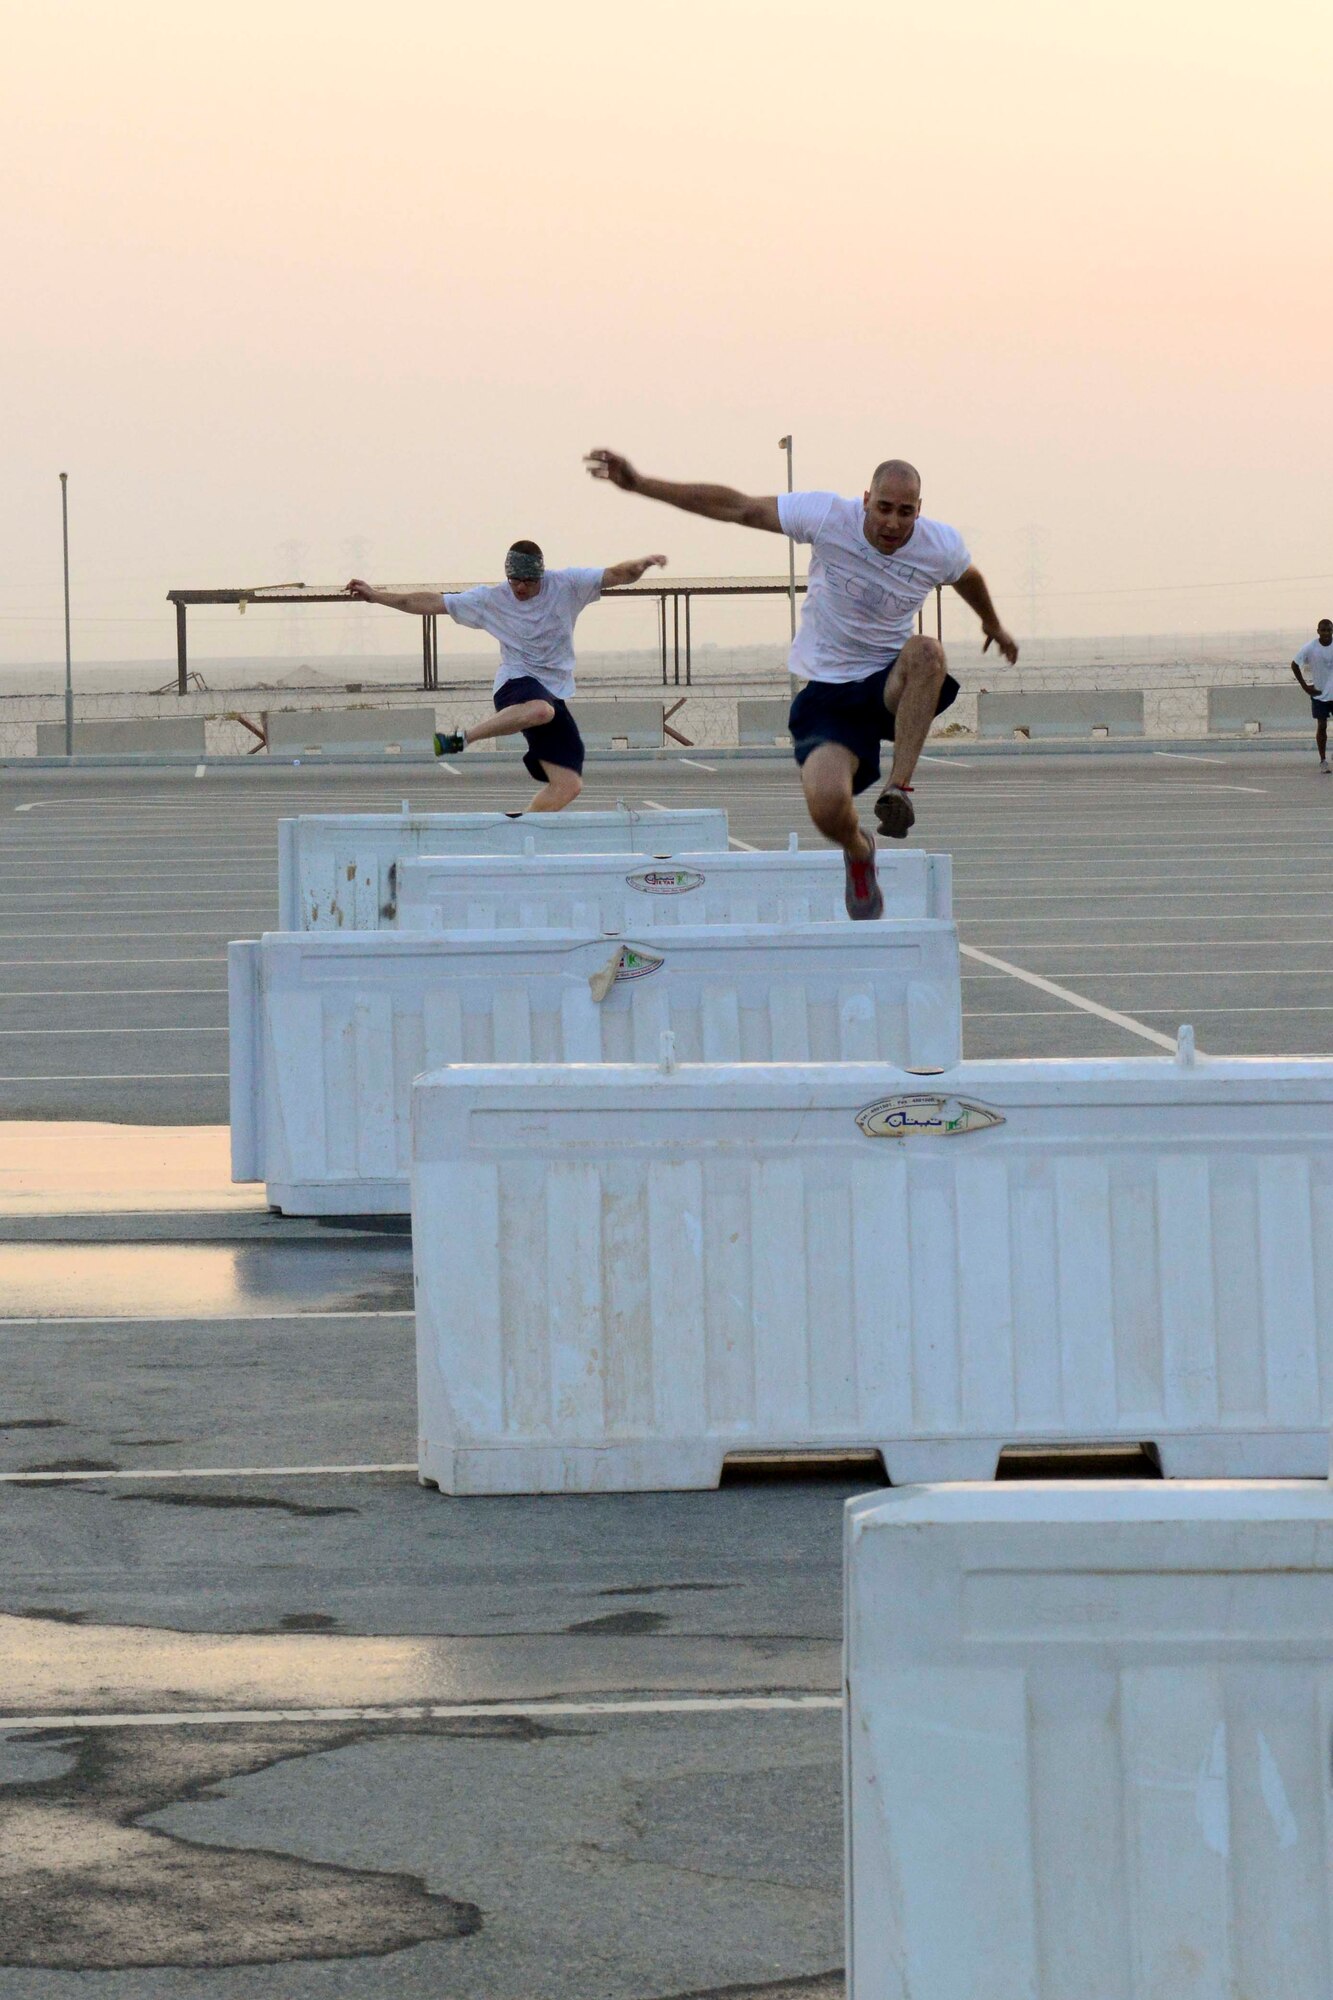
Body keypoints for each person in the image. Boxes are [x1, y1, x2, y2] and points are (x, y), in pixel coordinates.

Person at [586, 448, 1018, 917]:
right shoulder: (828, 515)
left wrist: (992, 624)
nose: (892, 524)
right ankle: (859, 850)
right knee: (827, 807)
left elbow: (968, 577)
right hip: (829, 693)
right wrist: (641, 483)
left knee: (928, 652)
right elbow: (740, 507)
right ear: (866, 500)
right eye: (884, 509)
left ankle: (899, 789)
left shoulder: (940, 545)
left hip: (887, 683)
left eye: (906, 512)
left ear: (920, 509)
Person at [348, 541, 666, 810]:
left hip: (554, 691)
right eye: (515, 580)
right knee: (541, 709)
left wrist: (643, 563)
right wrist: (375, 595)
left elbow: (617, 574)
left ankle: (523, 830)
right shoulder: (491, 599)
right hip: (515, 683)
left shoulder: (568, 585)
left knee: (568, 786)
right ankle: (459, 740)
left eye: (529, 581)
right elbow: (430, 602)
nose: (521, 588)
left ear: (541, 574)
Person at [1290, 618, 1333, 774]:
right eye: (1323, 630)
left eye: (1329, 630)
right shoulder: (1310, 648)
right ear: (1318, 631)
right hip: (1319, 694)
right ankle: (1323, 760)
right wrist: (1304, 686)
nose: (1326, 633)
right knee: (1322, 726)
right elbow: (1295, 664)